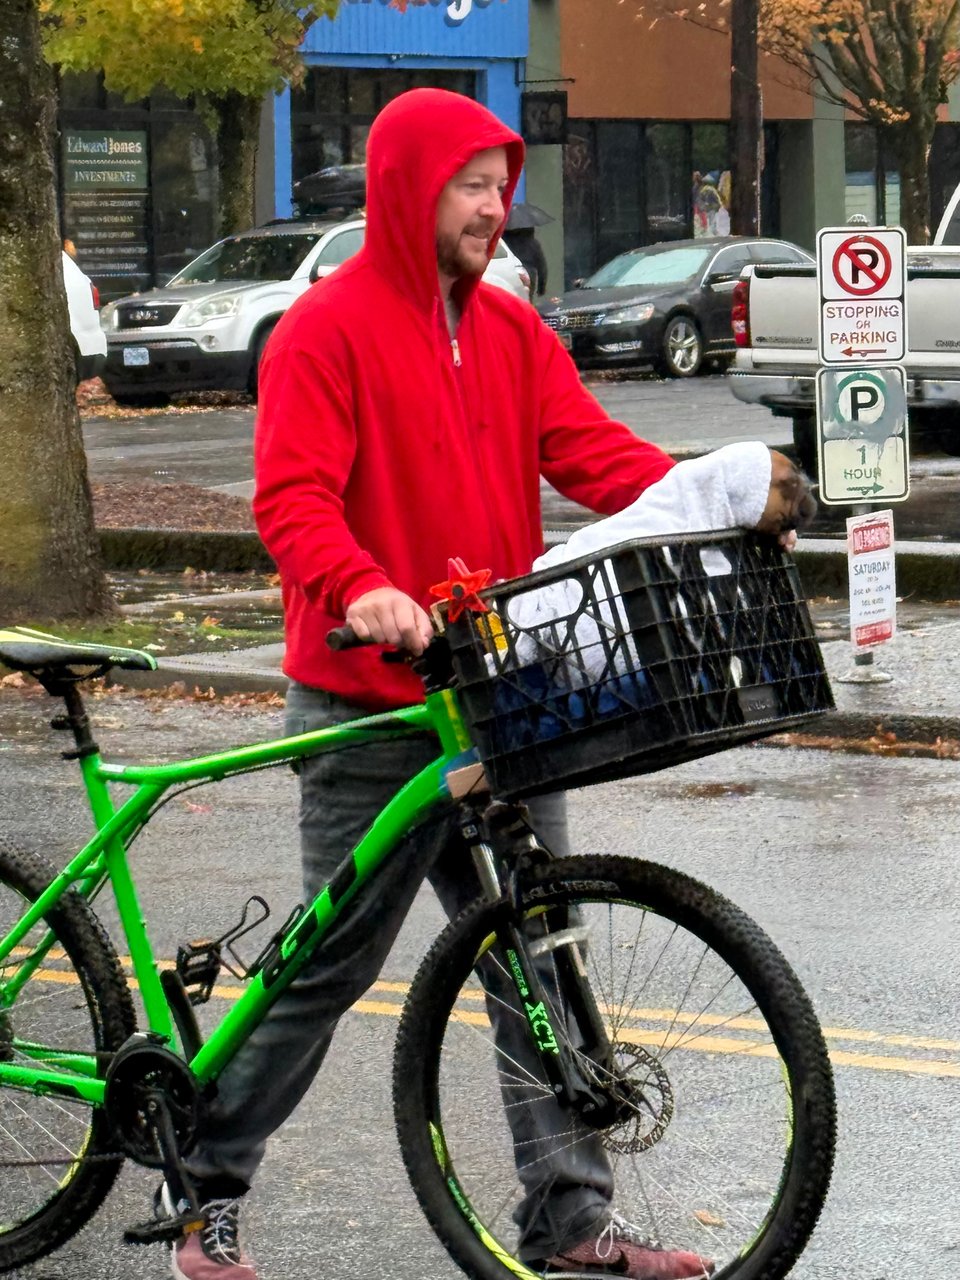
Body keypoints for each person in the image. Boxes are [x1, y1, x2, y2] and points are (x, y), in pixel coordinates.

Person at [163, 87, 721, 1280]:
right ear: (410, 190)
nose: (495, 204)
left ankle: (571, 1222)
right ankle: (206, 1179)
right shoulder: (327, 331)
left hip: (498, 688)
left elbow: (592, 453)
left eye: (502, 183)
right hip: (368, 695)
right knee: (329, 967)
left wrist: (714, 493)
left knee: (544, 938)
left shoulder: (514, 332)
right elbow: (293, 499)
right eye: (473, 184)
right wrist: (361, 586)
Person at [503, 223, 549, 296]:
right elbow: (542, 267)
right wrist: (541, 288)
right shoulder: (533, 243)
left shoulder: (504, 242)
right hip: (529, 274)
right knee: (527, 301)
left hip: (509, 274)